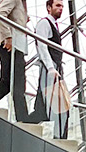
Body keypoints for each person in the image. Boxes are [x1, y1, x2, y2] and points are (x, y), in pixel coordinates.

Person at [0, 0, 42, 123]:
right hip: (11, 46)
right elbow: (0, 14)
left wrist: (22, 19)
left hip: (14, 46)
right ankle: (22, 119)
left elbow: (9, 16)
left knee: (8, 82)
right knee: (18, 82)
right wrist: (7, 37)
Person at [32, 0, 70, 138]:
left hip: (53, 69)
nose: (61, 8)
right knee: (62, 108)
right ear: (49, 7)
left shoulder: (52, 24)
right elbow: (42, 46)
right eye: (57, 5)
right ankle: (60, 140)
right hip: (50, 70)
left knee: (44, 109)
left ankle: (24, 125)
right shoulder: (44, 23)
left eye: (62, 6)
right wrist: (50, 68)